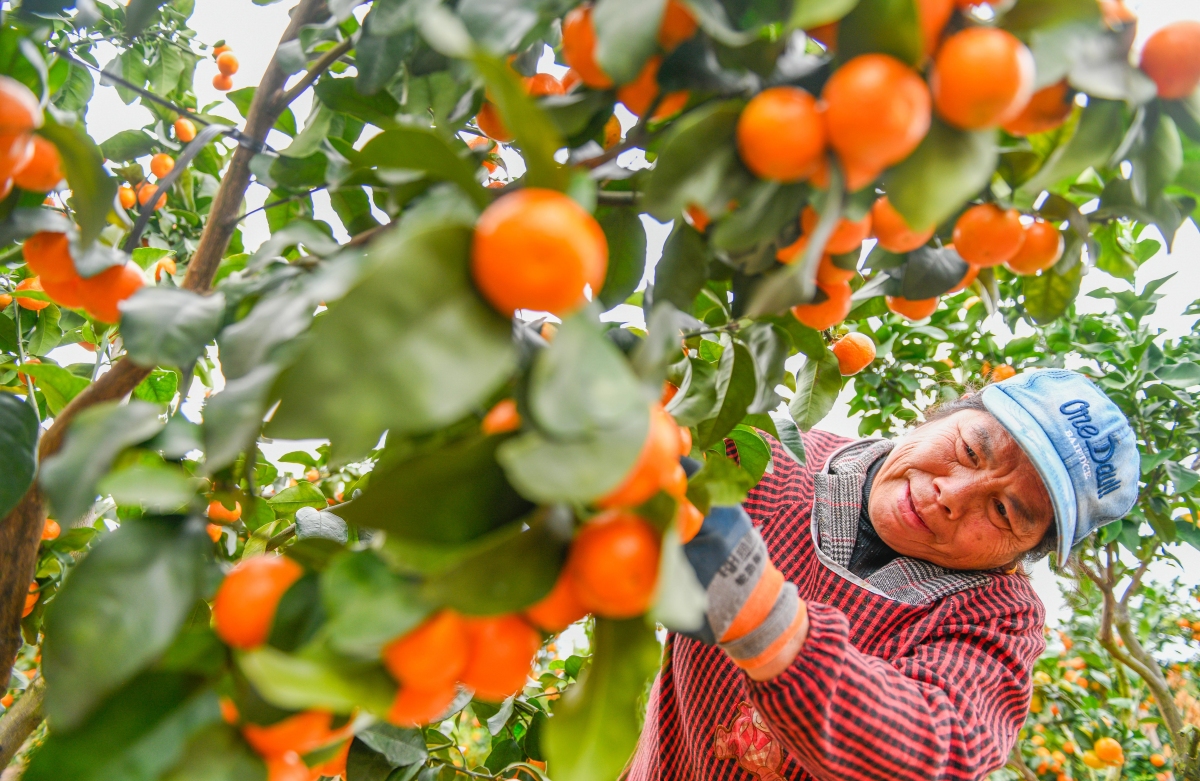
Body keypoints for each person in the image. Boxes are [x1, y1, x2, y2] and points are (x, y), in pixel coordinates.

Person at [628, 369, 1140, 781]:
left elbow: (941, 747)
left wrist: (769, 624)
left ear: (1025, 551)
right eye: (969, 451)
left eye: (1004, 511)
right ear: (936, 416)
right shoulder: (773, 461)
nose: (952, 496)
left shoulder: (1000, 619)